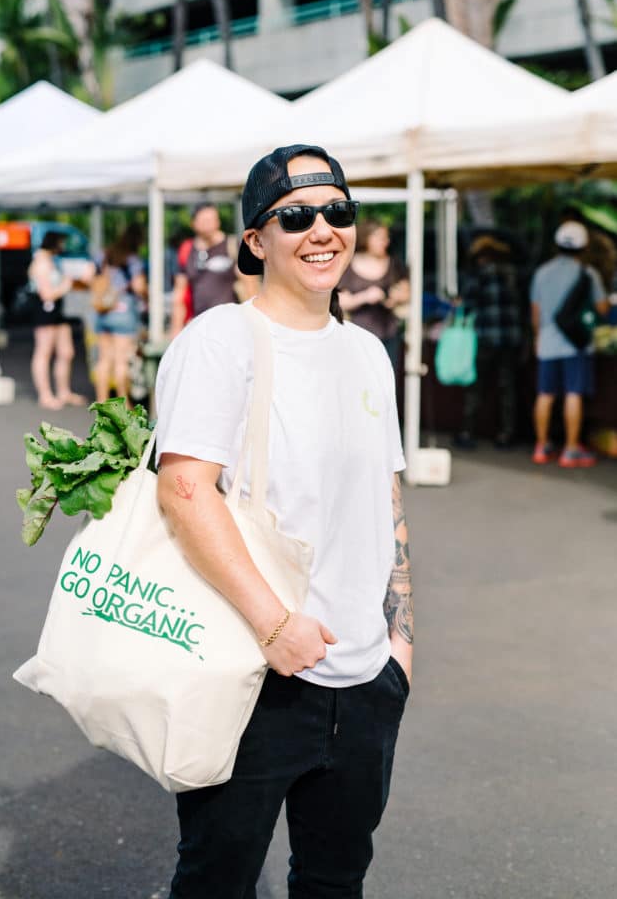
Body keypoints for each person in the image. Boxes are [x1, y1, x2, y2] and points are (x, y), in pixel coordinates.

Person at [155, 144, 413, 898]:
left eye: (337, 212)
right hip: (252, 670)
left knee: (335, 878)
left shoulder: (367, 354)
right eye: (294, 216)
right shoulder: (220, 342)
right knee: (216, 878)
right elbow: (184, 490)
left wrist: (401, 641)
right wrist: (276, 626)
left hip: (366, 674)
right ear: (254, 241)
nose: (321, 230)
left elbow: (385, 498)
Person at [530, 218, 609, 468]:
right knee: (573, 394)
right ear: (584, 247)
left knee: (545, 394)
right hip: (576, 344)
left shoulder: (542, 273)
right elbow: (602, 308)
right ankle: (571, 449)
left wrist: (537, 337)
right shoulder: (588, 274)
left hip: (547, 342)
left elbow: (535, 312)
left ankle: (541, 446)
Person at [453, 235, 525, 449]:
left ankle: (468, 432)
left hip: (485, 336)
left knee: (476, 386)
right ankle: (506, 434)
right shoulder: (514, 274)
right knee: (507, 387)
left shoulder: (479, 275)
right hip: (511, 337)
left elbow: (468, 305)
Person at [169, 203, 258, 336]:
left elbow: (250, 285)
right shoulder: (187, 250)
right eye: (204, 221)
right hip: (198, 325)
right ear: (194, 224)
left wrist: (254, 321)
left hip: (230, 325)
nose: (209, 225)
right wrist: (176, 328)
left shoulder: (232, 246)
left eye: (212, 220)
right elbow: (179, 294)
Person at [337, 219, 409, 372]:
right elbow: (340, 301)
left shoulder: (394, 264)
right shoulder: (348, 264)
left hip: (388, 333)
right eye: (380, 238)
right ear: (366, 238)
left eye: (386, 238)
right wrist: (365, 297)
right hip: (356, 335)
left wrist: (395, 298)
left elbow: (406, 292)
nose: (385, 242)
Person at [28, 230, 86, 410]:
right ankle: (45, 395)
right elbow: (46, 294)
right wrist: (66, 285)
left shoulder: (52, 261)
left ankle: (63, 391)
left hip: (59, 312)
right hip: (46, 312)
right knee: (44, 352)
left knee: (66, 352)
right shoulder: (41, 263)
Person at [92, 231, 148, 405]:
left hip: (103, 311)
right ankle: (123, 404)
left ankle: (101, 401)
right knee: (121, 360)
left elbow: (89, 276)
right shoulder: (132, 260)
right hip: (123, 312)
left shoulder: (104, 255)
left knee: (103, 359)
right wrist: (147, 295)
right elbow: (139, 287)